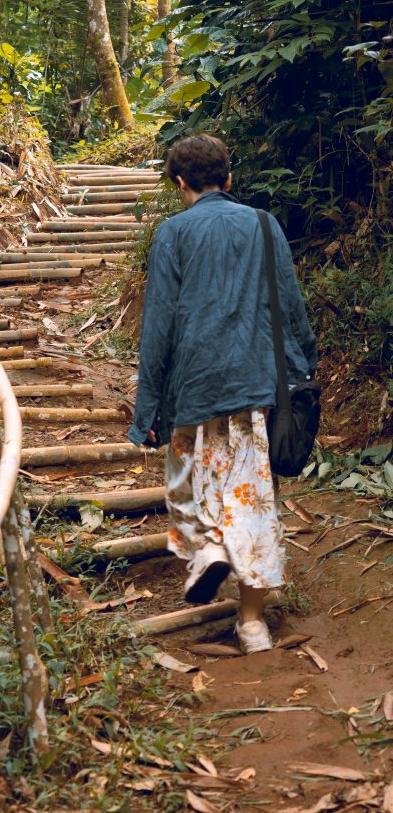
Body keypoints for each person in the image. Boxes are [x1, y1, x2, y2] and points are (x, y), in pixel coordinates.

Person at [127, 135, 316, 654]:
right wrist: (302, 371)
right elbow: (290, 307)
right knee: (252, 499)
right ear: (229, 179)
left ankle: (210, 546)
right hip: (257, 387)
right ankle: (252, 623)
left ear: (179, 183)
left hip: (193, 387)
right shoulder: (263, 223)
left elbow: (159, 326)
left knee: (187, 486)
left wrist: (147, 408)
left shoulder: (172, 233)